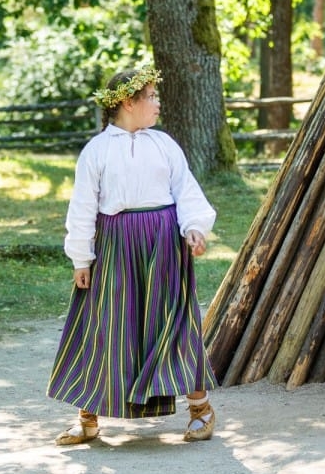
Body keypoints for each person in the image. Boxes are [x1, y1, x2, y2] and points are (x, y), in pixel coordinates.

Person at [48, 65, 218, 445]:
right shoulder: (97, 151)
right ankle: (88, 418)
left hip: (163, 245)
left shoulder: (163, 144)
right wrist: (81, 258)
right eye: (152, 97)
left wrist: (193, 227)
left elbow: (185, 189)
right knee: (104, 325)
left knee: (173, 323)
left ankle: (200, 409)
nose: (158, 104)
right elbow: (82, 207)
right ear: (128, 102)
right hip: (116, 246)